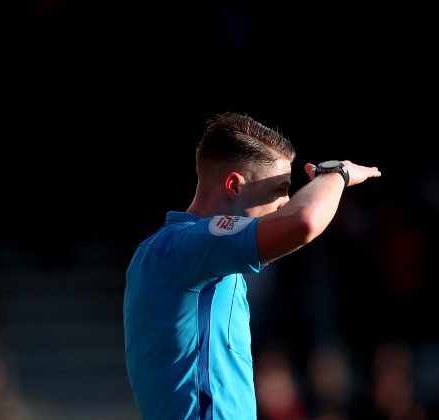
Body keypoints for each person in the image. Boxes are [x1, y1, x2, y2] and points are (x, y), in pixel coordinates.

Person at [123, 111, 381, 420]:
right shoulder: (184, 245)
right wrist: (336, 173)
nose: (286, 201)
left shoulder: (191, 255)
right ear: (234, 185)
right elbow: (303, 221)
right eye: (279, 189)